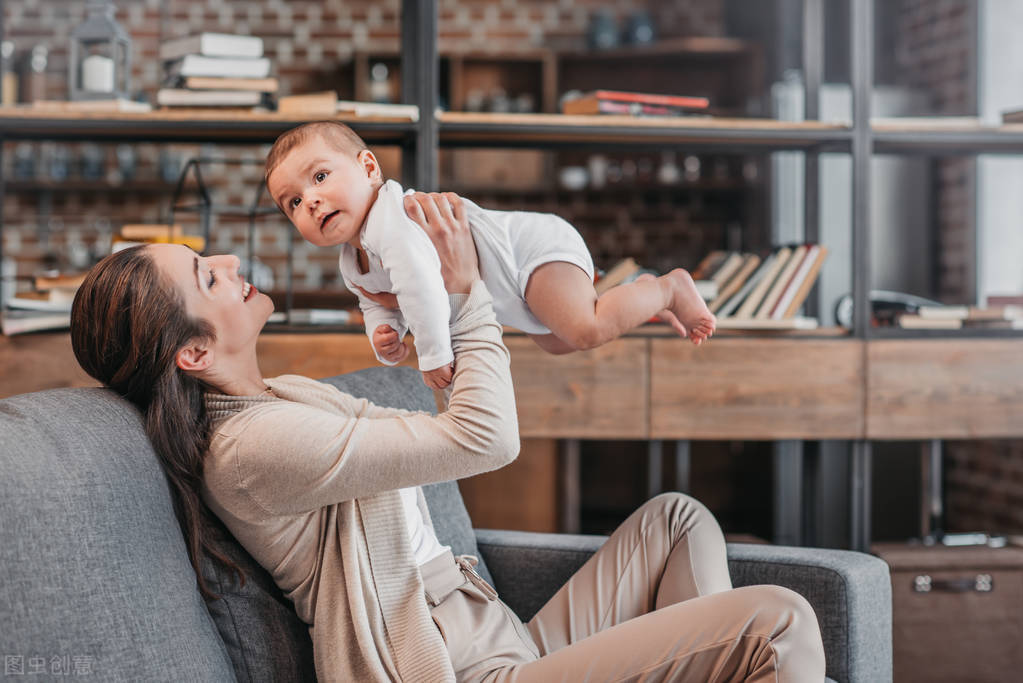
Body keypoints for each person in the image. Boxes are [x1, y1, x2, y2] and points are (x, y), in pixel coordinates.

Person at [69, 192, 824, 682]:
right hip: (455, 668)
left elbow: (436, 430)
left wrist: (434, 321)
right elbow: (484, 439)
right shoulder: (251, 449)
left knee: (677, 519)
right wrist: (465, 294)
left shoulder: (287, 395)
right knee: (779, 621)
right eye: (207, 276)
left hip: (494, 629)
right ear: (192, 353)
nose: (230, 262)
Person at [264, 120, 717, 390]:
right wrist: (384, 333)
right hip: (511, 291)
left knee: (585, 329)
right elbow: (377, 302)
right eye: (294, 203)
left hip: (530, 250)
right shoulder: (353, 261)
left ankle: (665, 287)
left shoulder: (392, 221)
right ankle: (636, 294)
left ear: (368, 168)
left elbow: (419, 286)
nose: (311, 201)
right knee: (556, 341)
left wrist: (433, 354)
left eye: (320, 177)